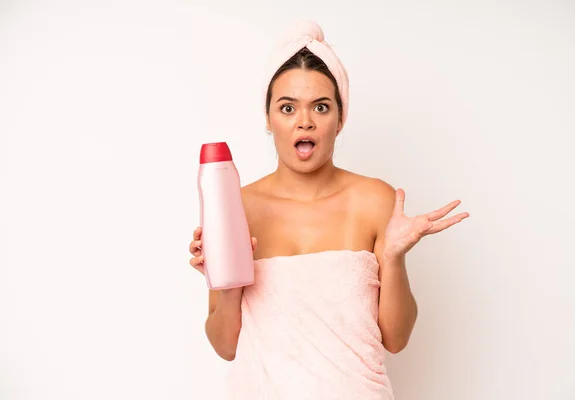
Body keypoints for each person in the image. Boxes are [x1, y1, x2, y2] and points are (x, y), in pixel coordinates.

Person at [188, 20, 469, 399]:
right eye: (287, 108)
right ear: (269, 119)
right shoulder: (237, 207)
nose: (304, 121)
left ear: (340, 119)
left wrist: (394, 257)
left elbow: (397, 339)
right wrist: (224, 278)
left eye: (321, 107)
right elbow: (226, 346)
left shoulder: (375, 200)